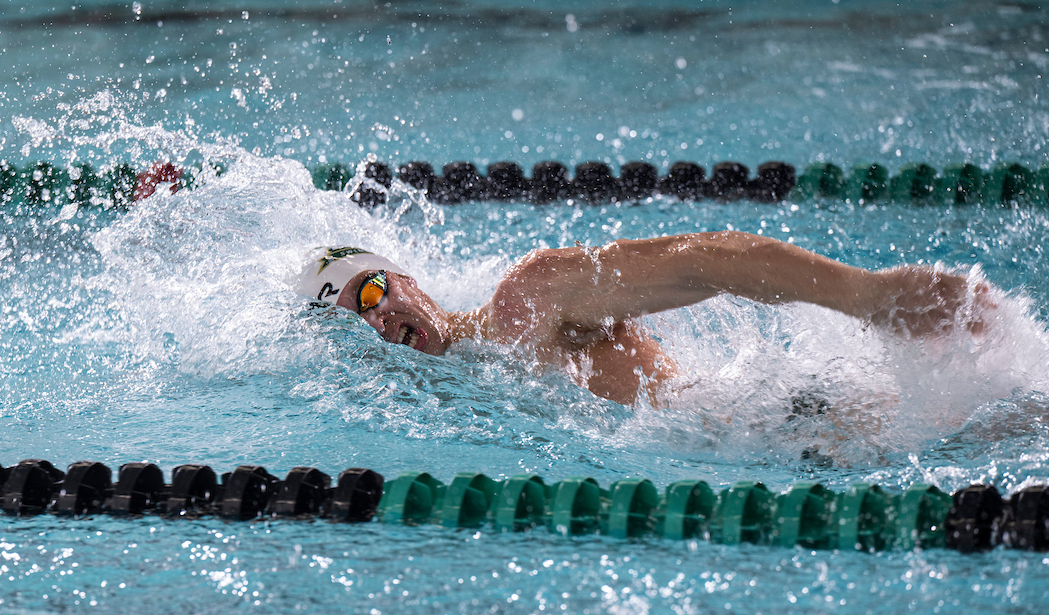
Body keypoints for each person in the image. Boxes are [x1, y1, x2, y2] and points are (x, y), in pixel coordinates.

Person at [302, 234, 993, 406]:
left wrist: (865, 297)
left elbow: (706, 259)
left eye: (368, 293)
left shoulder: (529, 300)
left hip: (785, 425)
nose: (378, 320)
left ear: (404, 278)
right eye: (352, 322)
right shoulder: (432, 402)